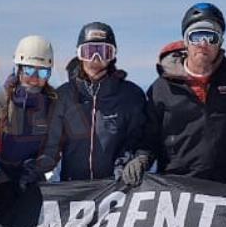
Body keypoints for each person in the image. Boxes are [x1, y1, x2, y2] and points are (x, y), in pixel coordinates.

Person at [123, 3, 226, 186]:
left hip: (225, 190)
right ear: (186, 42)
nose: (203, 44)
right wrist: (142, 158)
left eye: (211, 37)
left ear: (220, 42)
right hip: (175, 190)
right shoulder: (162, 88)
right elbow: (150, 136)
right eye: (196, 36)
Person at [40, 22, 148, 181]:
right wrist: (37, 169)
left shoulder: (130, 96)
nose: (95, 59)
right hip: (74, 190)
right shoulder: (64, 96)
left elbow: (137, 140)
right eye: (89, 51)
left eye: (103, 52)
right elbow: (52, 146)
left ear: (113, 56)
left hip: (116, 191)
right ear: (79, 54)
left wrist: (127, 163)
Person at [0, 35, 62, 187]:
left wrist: (35, 169)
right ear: (19, 68)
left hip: (31, 186)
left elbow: (53, 149)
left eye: (42, 72)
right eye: (29, 70)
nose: (35, 79)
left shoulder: (52, 106)